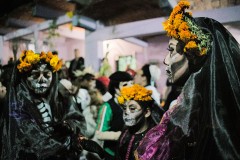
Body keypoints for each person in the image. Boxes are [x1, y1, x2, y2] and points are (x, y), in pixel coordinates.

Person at [135, 1, 240, 160]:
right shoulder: (186, 107)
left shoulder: (206, 117)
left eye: (171, 50)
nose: (165, 60)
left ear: (193, 54)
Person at [0, 50, 87, 159]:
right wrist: (66, 144)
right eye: (35, 75)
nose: (41, 80)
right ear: (25, 77)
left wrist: (70, 126)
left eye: (46, 75)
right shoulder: (17, 103)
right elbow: (28, 137)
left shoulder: (61, 98)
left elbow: (78, 119)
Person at [115, 84, 163, 160]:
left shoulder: (154, 139)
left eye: (132, 108)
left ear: (146, 112)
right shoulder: (125, 132)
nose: (126, 112)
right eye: (124, 108)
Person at [96, 71, 133, 158]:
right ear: (116, 88)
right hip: (112, 153)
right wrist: (121, 136)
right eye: (125, 85)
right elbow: (99, 133)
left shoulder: (133, 104)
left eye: (132, 83)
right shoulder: (107, 107)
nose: (130, 87)